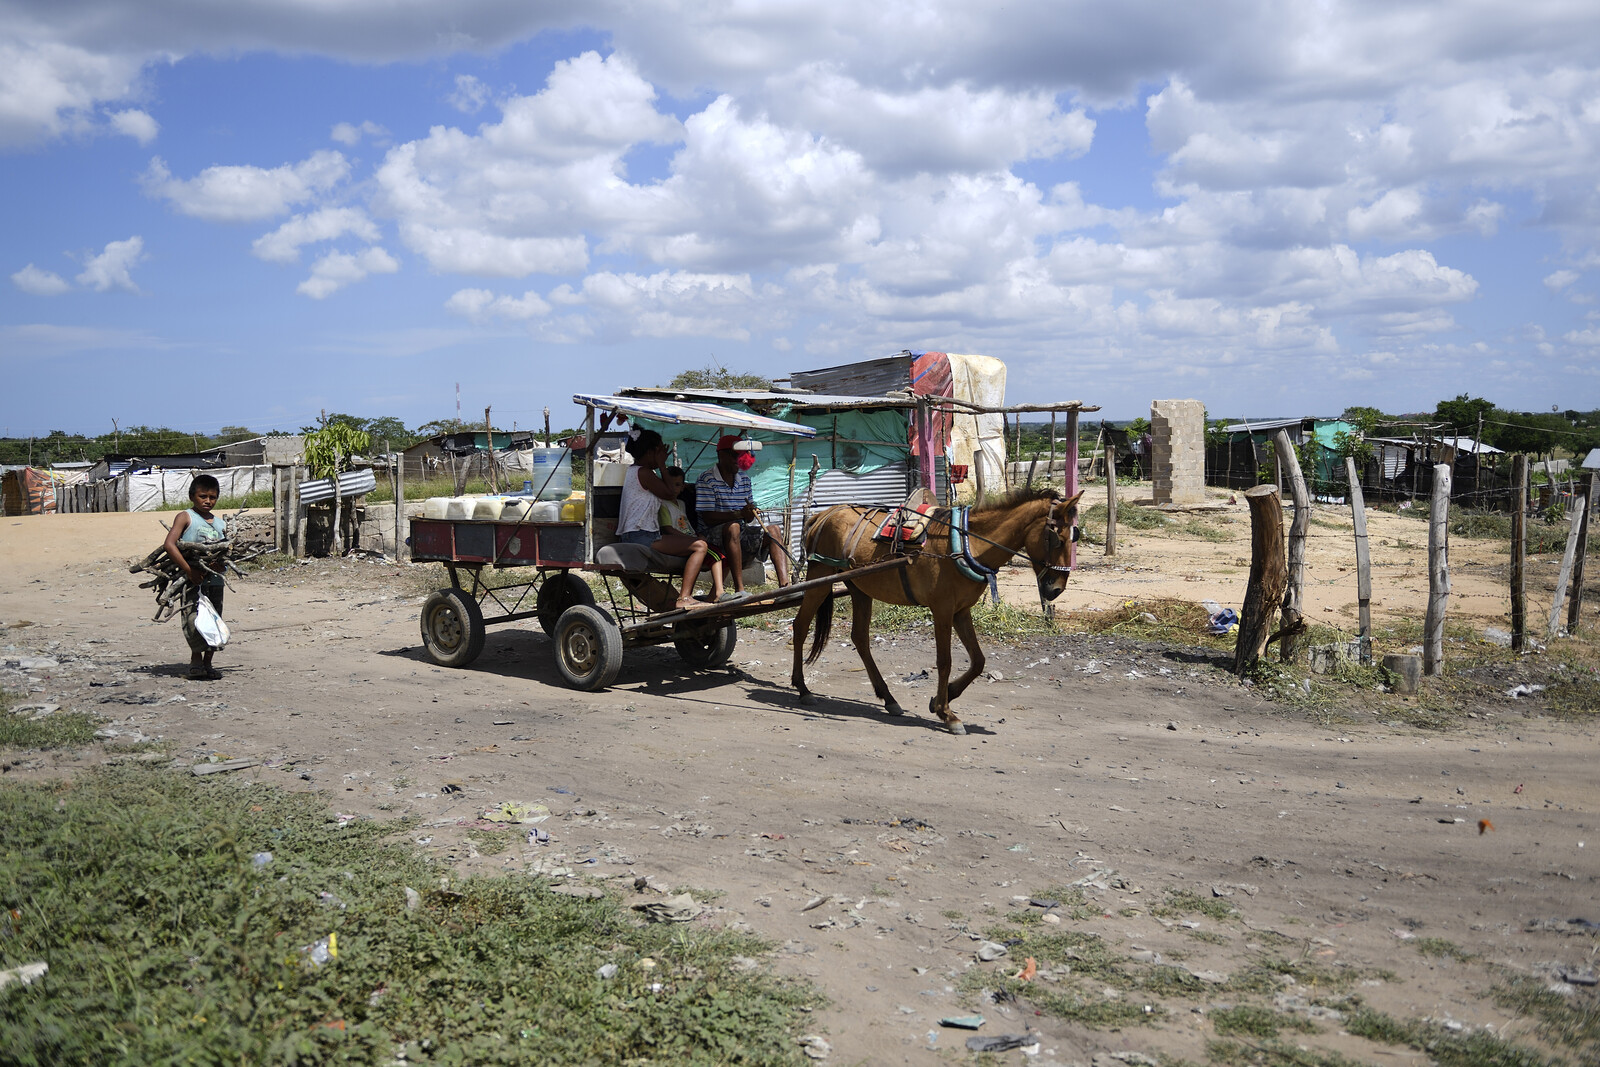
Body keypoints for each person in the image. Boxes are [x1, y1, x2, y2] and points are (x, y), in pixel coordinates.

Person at [617, 429, 714, 611]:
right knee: (700, 546)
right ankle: (684, 597)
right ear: (650, 452)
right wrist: (662, 465)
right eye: (660, 450)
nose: (664, 454)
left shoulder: (637, 471)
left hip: (640, 534)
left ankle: (683, 596)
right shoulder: (644, 472)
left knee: (697, 543)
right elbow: (670, 493)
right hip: (640, 536)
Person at [695, 434, 791, 593]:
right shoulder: (707, 479)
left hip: (739, 533)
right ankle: (740, 589)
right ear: (721, 455)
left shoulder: (744, 480)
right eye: (734, 455)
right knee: (733, 527)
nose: (738, 459)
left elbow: (747, 519)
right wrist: (738, 514)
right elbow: (708, 518)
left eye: (741, 455)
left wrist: (750, 512)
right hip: (712, 537)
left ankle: (785, 587)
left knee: (773, 530)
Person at [163, 474, 227, 680]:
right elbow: (170, 545)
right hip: (191, 581)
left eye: (212, 497)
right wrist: (189, 571)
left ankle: (208, 663)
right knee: (192, 619)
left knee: (214, 620)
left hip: (215, 581)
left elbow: (225, 553)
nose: (208, 501)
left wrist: (220, 564)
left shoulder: (220, 523)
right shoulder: (186, 517)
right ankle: (195, 661)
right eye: (203, 496)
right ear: (192, 496)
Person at [660, 467, 733, 601]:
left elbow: (686, 524)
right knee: (717, 556)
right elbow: (668, 529)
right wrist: (691, 540)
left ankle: (714, 594)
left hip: (692, 540)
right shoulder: (663, 505)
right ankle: (719, 592)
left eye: (677, 485)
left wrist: (697, 535)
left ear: (682, 487)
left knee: (726, 559)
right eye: (670, 484)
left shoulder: (681, 504)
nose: (673, 489)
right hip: (681, 542)